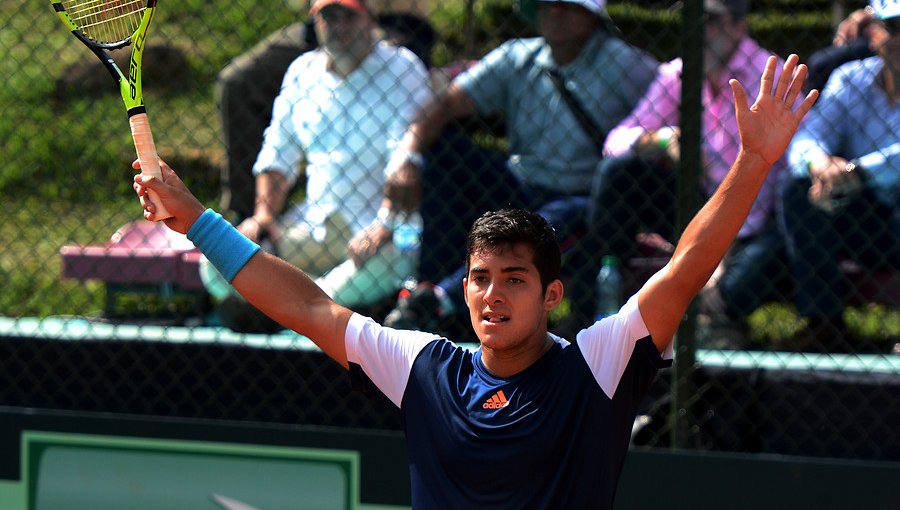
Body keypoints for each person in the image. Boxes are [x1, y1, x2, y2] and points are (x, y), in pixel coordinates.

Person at [134, 55, 817, 508]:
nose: (493, 294)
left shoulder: (598, 367)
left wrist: (754, 161)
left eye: (515, 279)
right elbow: (307, 305)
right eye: (481, 278)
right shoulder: (426, 368)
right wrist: (196, 218)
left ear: (553, 294)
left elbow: (684, 269)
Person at [380, 0, 660, 338]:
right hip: (520, 185)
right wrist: (406, 157)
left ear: (592, 17)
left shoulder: (626, 64)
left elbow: (670, 105)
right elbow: (444, 106)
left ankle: (436, 302)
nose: (554, 12)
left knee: (546, 222)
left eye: (567, 5)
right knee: (445, 149)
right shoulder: (516, 56)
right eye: (547, 4)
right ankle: (428, 285)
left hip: (587, 198)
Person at [201, 0, 433, 330]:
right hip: (312, 227)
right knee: (212, 263)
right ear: (315, 21)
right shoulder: (302, 72)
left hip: (379, 233)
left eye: (348, 15)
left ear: (370, 17)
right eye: (328, 15)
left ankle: (280, 305)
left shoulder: (402, 68)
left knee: (395, 258)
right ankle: (312, 308)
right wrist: (263, 215)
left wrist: (385, 222)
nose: (338, 25)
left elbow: (406, 159)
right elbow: (278, 151)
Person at [585, 0, 790, 339]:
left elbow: (772, 179)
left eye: (710, 20)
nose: (699, 29)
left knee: (739, 284)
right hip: (699, 206)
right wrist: (665, 140)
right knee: (618, 173)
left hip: (759, 220)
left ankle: (719, 325)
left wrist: (717, 254)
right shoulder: (678, 73)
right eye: (692, 19)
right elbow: (617, 140)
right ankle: (604, 305)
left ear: (739, 26)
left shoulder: (772, 77)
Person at [215, 2, 437, 219]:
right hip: (321, 20)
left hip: (394, 19)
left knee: (379, 66)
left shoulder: (402, 64)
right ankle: (251, 214)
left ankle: (385, 212)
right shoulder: (302, 65)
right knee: (237, 81)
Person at [781, 1, 900, 350]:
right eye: (893, 28)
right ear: (874, 33)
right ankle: (825, 325)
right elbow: (807, 137)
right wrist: (820, 164)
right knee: (798, 187)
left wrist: (858, 172)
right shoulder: (851, 77)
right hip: (870, 222)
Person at [805, 6, 889, 93]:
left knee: (821, 64)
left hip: (884, 32)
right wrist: (868, 12)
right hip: (880, 25)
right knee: (818, 62)